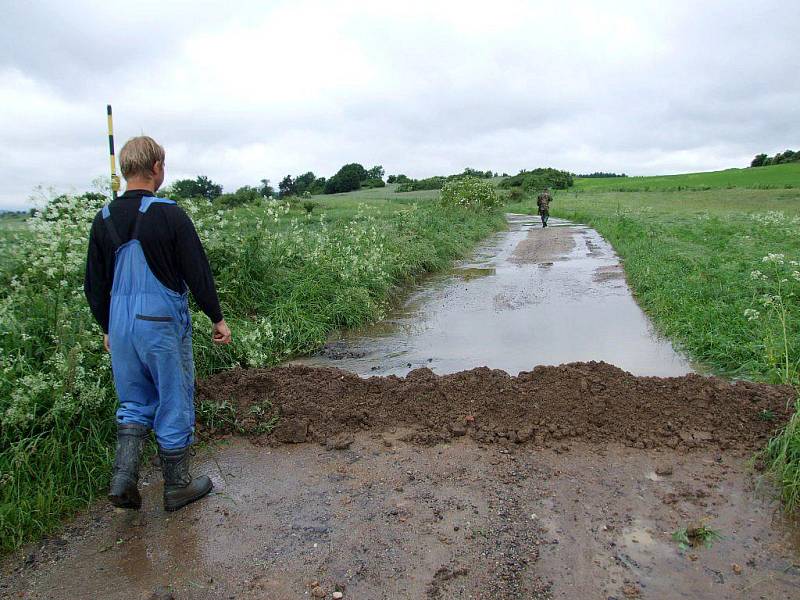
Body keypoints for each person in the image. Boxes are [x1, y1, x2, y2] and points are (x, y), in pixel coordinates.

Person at [84, 136, 232, 512]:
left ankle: (123, 478)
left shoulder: (103, 220)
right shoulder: (170, 214)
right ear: (156, 169)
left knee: (133, 400)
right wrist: (216, 317)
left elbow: (94, 285)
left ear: (124, 171)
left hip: (119, 326)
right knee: (174, 398)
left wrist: (106, 326)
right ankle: (178, 485)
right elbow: (197, 271)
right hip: (161, 322)